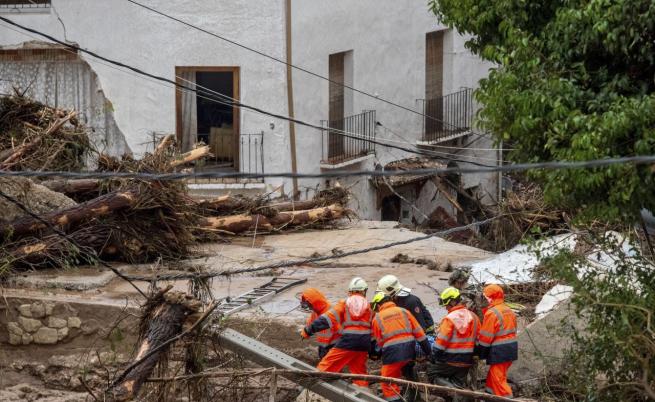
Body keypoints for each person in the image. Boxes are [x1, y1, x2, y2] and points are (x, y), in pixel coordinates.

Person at [302, 277, 372, 388]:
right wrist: (374, 348)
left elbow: (327, 319)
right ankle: (363, 393)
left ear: (350, 291)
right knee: (359, 372)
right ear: (364, 290)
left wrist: (307, 331)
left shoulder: (344, 303)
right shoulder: (369, 306)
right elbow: (375, 326)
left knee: (325, 367)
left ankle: (312, 392)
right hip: (364, 343)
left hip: (348, 342)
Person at [371, 286, 431, 401]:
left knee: (386, 381)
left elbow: (379, 343)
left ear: (379, 305)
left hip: (393, 353)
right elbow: (420, 334)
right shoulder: (404, 311)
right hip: (410, 350)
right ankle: (415, 396)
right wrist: (428, 352)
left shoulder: (377, 318)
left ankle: (396, 400)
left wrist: (376, 355)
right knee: (407, 370)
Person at [427, 287, 480, 391]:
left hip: (449, 360)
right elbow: (479, 340)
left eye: (446, 305)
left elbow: (440, 344)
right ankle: (458, 392)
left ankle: (454, 391)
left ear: (452, 302)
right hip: (467, 361)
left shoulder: (450, 318)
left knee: (431, 373)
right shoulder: (474, 317)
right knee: (458, 383)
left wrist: (433, 357)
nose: (446, 308)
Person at [477, 284, 518, 397]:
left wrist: (480, 354)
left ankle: (508, 399)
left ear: (490, 298)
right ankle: (490, 396)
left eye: (485, 297)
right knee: (493, 377)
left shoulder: (492, 313)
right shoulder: (508, 310)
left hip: (500, 351)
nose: (484, 299)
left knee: (498, 381)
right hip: (511, 348)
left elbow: (485, 338)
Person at [299, 288, 340, 359]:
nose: (309, 308)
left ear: (314, 302)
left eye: (309, 305)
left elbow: (341, 330)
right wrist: (305, 333)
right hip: (323, 344)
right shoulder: (316, 312)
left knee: (329, 366)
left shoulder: (330, 312)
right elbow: (311, 322)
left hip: (333, 345)